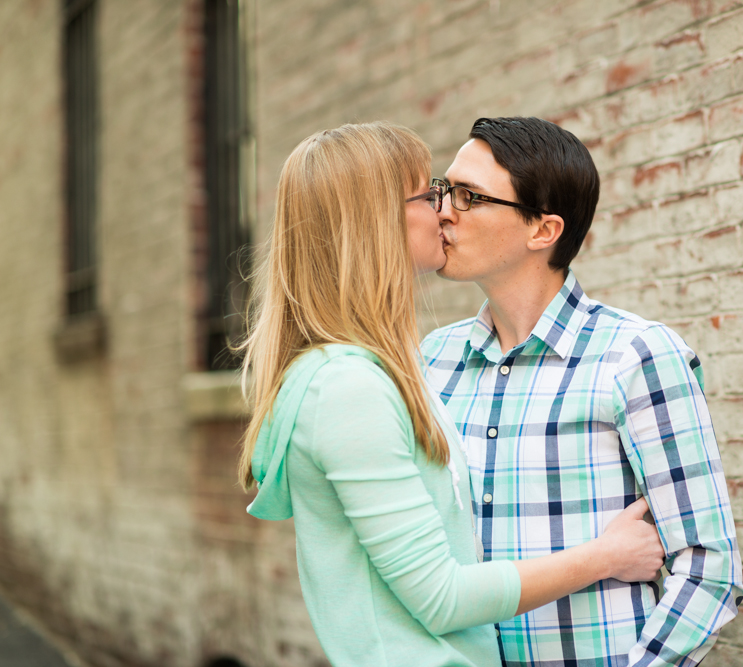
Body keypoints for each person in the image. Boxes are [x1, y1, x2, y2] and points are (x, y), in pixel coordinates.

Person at [237, 122, 666, 667]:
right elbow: (442, 597)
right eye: (431, 193)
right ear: (375, 223)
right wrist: (606, 556)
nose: (444, 211)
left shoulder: (387, 369)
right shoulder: (349, 387)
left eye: (462, 196)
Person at [421, 116, 743, 667]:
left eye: (470, 196)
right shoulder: (432, 360)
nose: (443, 210)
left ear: (542, 230)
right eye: (444, 190)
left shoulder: (637, 355)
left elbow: (709, 568)